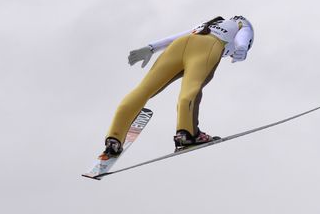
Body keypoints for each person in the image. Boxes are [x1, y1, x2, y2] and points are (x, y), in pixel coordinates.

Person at [103, 15, 254, 156]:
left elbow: (181, 35)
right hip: (207, 46)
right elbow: (244, 32)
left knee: (143, 90)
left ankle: (114, 137)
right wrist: (242, 47)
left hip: (179, 45)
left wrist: (151, 47)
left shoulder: (211, 23)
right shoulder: (242, 24)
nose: (230, 56)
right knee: (191, 89)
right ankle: (187, 134)